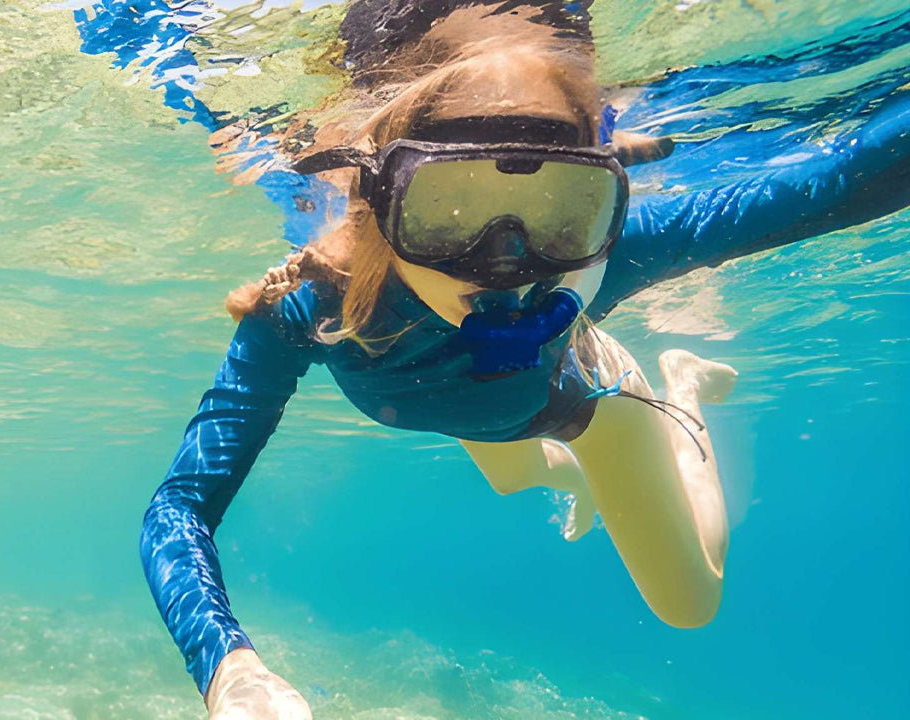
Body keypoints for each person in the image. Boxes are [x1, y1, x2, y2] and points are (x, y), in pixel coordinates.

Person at [137, 4, 910, 718]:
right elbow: (179, 508)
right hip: (494, 423)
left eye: (559, 211)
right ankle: (567, 465)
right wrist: (229, 668)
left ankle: (683, 389)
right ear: (375, 195)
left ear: (602, 195)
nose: (507, 265)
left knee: (689, 603)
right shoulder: (315, 306)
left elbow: (851, 177)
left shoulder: (615, 256)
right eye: (450, 208)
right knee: (514, 465)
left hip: (586, 405)